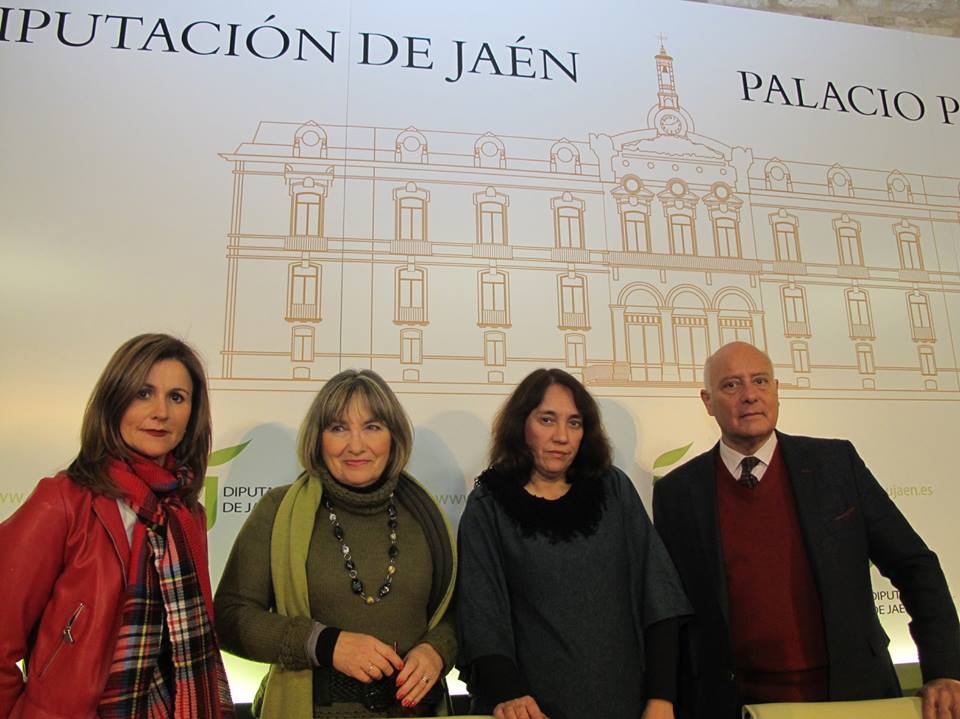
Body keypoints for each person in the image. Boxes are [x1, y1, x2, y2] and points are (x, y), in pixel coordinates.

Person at [652, 341, 960, 719]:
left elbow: (914, 565)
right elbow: (669, 610)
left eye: (760, 381)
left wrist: (944, 668)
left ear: (776, 391)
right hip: (734, 705)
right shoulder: (677, 493)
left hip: (853, 696)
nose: (749, 395)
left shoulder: (836, 465)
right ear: (707, 401)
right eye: (731, 385)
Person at [0, 333, 235, 719]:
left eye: (177, 397)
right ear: (114, 400)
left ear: (192, 415)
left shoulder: (186, 513)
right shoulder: (62, 501)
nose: (161, 412)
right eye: (144, 393)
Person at [215, 369, 456, 718]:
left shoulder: (427, 514)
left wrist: (438, 650)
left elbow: (459, 613)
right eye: (338, 428)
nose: (355, 445)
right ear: (318, 439)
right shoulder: (278, 510)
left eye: (372, 427)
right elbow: (229, 618)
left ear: (394, 437)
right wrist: (324, 644)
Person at [456, 368, 691, 719]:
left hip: (626, 705)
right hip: (528, 711)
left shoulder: (613, 489)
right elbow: (481, 614)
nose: (562, 436)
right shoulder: (489, 503)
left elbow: (658, 594)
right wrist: (508, 692)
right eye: (547, 420)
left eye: (575, 423)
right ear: (521, 425)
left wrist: (662, 698)